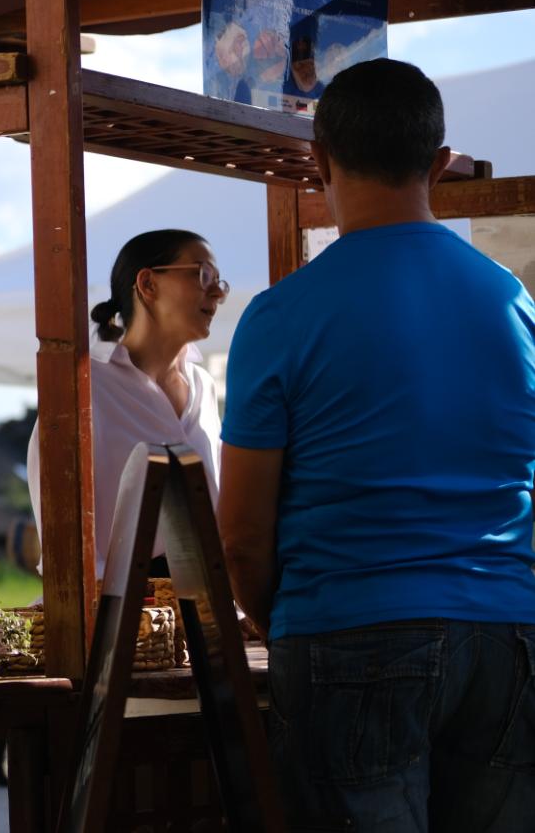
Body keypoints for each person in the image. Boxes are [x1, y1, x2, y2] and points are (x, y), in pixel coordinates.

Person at [218, 58, 535, 831]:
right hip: (508, 634)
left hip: (349, 628)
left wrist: (278, 620)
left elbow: (243, 536)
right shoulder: (512, 301)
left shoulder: (280, 316)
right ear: (440, 164)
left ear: (316, 161)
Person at [26, 229, 230, 579]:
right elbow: (61, 534)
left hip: (207, 607)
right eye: (203, 274)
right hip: (116, 614)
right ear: (148, 284)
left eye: (219, 282)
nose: (217, 292)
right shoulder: (84, 390)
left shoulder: (204, 386)